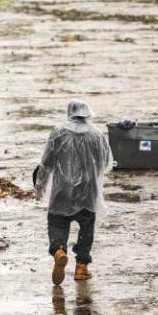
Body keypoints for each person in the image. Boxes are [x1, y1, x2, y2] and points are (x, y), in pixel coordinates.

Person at [35, 100, 112, 286]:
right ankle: (81, 267)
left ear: (69, 112)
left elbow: (47, 162)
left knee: (57, 222)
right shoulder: (97, 134)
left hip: (62, 189)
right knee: (87, 227)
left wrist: (41, 185)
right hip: (88, 190)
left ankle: (59, 250)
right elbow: (106, 163)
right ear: (87, 113)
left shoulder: (58, 132)